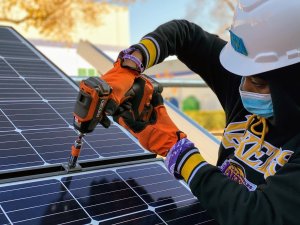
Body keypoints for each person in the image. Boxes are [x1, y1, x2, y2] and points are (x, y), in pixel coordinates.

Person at [100, 0, 300, 224]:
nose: (243, 87)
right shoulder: (247, 79)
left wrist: (180, 153)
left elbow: (260, 216)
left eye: (256, 81)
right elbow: (186, 35)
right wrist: (136, 58)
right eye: (242, 73)